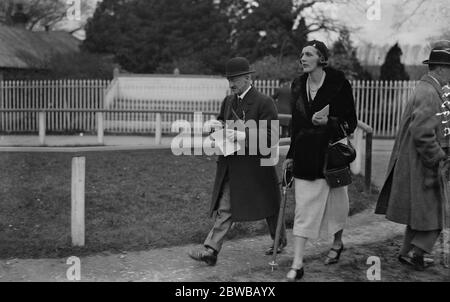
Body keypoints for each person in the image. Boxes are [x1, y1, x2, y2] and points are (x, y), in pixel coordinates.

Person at [188, 57, 286, 266]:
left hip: (257, 166)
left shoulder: (264, 102)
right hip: (233, 166)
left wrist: (243, 135)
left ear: (248, 78)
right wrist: (216, 126)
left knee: (270, 205)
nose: (231, 84)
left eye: (235, 79)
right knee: (226, 207)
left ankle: (280, 240)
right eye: (229, 80)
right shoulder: (228, 101)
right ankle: (211, 250)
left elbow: (272, 136)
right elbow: (222, 123)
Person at [282, 40, 357, 281]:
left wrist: (329, 122)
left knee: (338, 205)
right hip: (305, 156)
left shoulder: (339, 85)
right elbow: (295, 126)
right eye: (301, 54)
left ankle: (337, 242)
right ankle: (297, 263)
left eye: (308, 54)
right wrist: (290, 156)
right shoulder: (297, 85)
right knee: (304, 209)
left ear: (321, 59)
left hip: (332, 157)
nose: (302, 58)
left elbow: (350, 122)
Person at [375, 43, 450, 271]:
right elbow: (422, 132)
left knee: (422, 213)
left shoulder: (430, 89)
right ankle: (417, 254)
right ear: (440, 69)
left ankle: (407, 253)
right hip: (423, 164)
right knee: (439, 212)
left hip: (418, 163)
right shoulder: (428, 92)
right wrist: (439, 158)